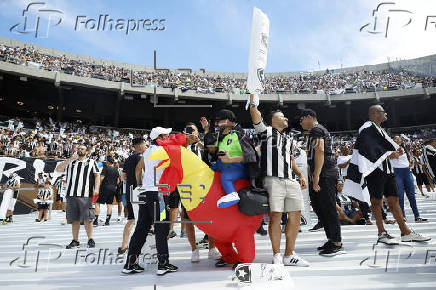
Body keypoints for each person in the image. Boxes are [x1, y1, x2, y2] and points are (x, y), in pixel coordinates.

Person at [355, 105, 430, 245]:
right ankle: (381, 233)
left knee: (394, 200)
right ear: (375, 113)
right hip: (375, 170)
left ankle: (405, 232)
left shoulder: (379, 129)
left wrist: (394, 153)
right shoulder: (366, 128)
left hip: (388, 170)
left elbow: (383, 149)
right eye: (384, 112)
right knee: (376, 201)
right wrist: (390, 155)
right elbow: (368, 150)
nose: (386, 114)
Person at [249, 94, 310, 266]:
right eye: (282, 116)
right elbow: (254, 112)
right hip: (273, 179)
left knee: (296, 215)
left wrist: (301, 175)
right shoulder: (265, 132)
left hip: (290, 180)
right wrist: (253, 94)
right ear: (272, 120)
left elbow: (290, 159)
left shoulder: (289, 139)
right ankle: (276, 254)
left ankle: (289, 254)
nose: (286, 118)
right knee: (276, 215)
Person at [123, 127, 178, 275]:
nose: (168, 137)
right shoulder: (162, 151)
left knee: (141, 229)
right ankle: (163, 264)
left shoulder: (147, 151)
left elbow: (138, 168)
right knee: (161, 229)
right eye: (166, 136)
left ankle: (130, 264)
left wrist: (141, 184)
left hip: (146, 193)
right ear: (159, 137)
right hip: (159, 195)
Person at [300, 108, 344, 256]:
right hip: (323, 172)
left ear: (309, 117)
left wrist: (316, 175)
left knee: (328, 208)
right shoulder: (316, 130)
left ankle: (336, 241)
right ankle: (331, 238)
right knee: (321, 208)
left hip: (324, 173)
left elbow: (320, 152)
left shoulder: (316, 130)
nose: (300, 123)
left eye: (301, 119)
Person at [55, 143, 101, 249]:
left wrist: (97, 188)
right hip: (71, 194)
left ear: (87, 152)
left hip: (86, 194)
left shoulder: (91, 162)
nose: (80, 150)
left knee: (88, 219)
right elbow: (58, 169)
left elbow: (97, 175)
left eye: (82, 149)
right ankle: (75, 240)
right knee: (74, 219)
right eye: (78, 148)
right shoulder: (71, 162)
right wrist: (70, 159)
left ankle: (90, 239)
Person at [118, 138, 147, 255]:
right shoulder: (141, 157)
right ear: (140, 146)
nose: (146, 147)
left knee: (131, 219)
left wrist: (130, 183)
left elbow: (123, 176)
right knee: (143, 221)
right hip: (140, 192)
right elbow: (143, 174)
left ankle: (124, 245)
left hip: (130, 191)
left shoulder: (129, 158)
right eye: (145, 145)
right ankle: (140, 246)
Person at [390, 136, 428, 223]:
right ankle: (402, 216)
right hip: (397, 172)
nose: (396, 140)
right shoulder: (390, 149)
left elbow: (410, 160)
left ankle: (417, 216)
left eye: (398, 138)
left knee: (411, 195)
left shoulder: (405, 149)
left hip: (407, 171)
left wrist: (410, 164)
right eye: (394, 139)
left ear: (401, 140)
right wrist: (398, 153)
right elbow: (390, 157)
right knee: (400, 196)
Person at [94, 157, 120, 226]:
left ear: (108, 162)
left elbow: (101, 178)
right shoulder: (116, 170)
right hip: (113, 188)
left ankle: (95, 220)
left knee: (97, 203)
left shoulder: (105, 168)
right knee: (109, 204)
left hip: (104, 188)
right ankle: (107, 221)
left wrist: (97, 186)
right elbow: (118, 181)